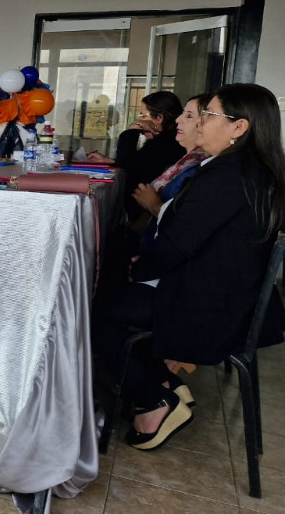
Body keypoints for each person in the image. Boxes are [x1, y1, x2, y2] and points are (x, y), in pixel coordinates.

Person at [93, 83, 285, 451]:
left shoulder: (227, 176)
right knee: (116, 288)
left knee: (98, 309)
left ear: (238, 127)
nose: (199, 124)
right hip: (225, 294)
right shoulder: (249, 169)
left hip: (210, 307)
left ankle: (154, 398)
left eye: (208, 115)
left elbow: (177, 243)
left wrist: (139, 269)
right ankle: (164, 382)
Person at [88, 91, 185, 219]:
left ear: (159, 118)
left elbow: (129, 166)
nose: (140, 120)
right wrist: (110, 161)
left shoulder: (167, 142)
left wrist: (133, 130)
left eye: (143, 116)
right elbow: (140, 162)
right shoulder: (166, 140)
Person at [129, 94, 210, 226]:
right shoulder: (187, 159)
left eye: (189, 116)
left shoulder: (198, 165)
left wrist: (153, 205)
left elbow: (187, 221)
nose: (178, 120)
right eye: (182, 113)